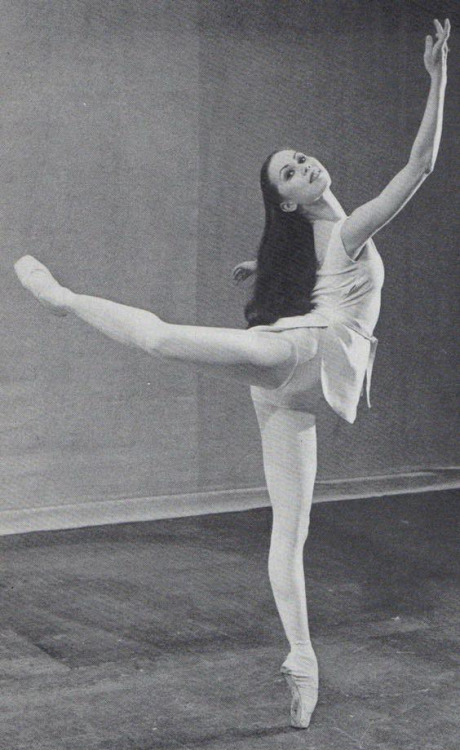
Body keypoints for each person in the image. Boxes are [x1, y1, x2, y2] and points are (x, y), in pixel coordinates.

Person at [14, 19, 449, 730]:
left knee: (292, 530)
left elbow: (300, 260)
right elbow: (421, 167)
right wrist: (438, 79)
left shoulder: (313, 235)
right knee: (158, 340)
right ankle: (64, 301)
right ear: (286, 198)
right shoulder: (344, 230)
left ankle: (302, 664)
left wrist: (262, 265)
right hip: (302, 358)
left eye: (302, 159)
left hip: (296, 376)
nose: (305, 167)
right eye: (290, 173)